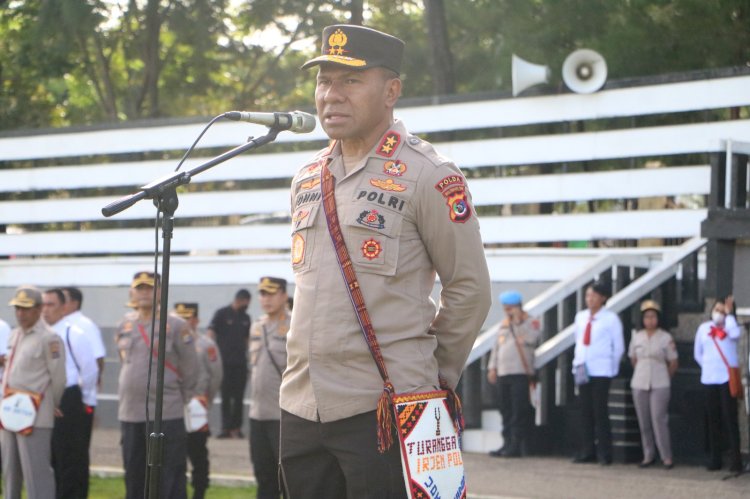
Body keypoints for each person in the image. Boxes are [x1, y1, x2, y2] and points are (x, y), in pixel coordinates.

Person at [279, 24, 492, 498]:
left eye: (350, 81)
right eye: (324, 81)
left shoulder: (429, 174)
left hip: (389, 408)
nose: (330, 95)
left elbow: (469, 289)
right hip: (301, 404)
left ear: (391, 91)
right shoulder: (307, 176)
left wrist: (431, 377)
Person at [115, 272, 198, 499]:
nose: (144, 293)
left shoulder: (175, 325)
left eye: (150, 288)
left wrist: (180, 396)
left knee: (168, 475)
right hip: (131, 413)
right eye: (139, 288)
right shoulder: (124, 324)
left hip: (166, 413)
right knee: (134, 474)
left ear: (161, 292)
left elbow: (191, 368)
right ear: (132, 292)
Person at [1, 286, 66, 499]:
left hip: (35, 412)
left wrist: (51, 404)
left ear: (39, 309)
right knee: (11, 470)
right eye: (18, 308)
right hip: (10, 409)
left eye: (26, 309)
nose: (21, 313)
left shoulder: (49, 338)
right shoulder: (15, 334)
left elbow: (58, 377)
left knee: (36, 472)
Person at [42, 288, 99, 498]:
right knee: (48, 457)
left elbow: (90, 370)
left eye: (51, 304)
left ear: (64, 307)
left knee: (70, 458)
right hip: (43, 398)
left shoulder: (73, 333)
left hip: (68, 397)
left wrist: (81, 398)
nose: (45, 310)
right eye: (43, 304)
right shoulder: (39, 334)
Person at [571, 281, 624, 465]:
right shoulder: (581, 317)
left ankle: (605, 453)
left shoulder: (610, 319)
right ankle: (587, 450)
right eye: (587, 296)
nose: (589, 299)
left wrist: (612, 368)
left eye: (593, 295)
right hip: (582, 368)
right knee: (585, 411)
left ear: (603, 298)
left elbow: (618, 347)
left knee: (600, 411)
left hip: (601, 370)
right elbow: (577, 341)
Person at [174, 302, 223, 499]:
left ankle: (199, 491)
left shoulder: (206, 345)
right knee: (175, 454)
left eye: (187, 317)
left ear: (196, 320)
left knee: (198, 454)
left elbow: (216, 375)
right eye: (180, 317)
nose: (184, 322)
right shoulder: (170, 342)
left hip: (197, 405)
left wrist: (206, 401)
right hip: (175, 405)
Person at [248, 277, 289, 499]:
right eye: (262, 294)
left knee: (287, 477)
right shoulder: (257, 325)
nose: (266, 299)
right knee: (263, 476)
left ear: (284, 295)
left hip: (282, 416)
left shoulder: (294, 325)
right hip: (258, 415)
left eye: (271, 293)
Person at [486, 290, 541, 458]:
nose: (507, 311)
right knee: (505, 410)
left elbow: (532, 339)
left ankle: (516, 445)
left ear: (517, 307)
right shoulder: (503, 324)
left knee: (518, 410)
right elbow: (497, 347)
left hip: (520, 373)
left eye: (509, 308)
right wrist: (492, 367)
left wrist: (517, 321)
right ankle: (507, 442)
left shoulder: (531, 322)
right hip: (503, 372)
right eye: (505, 308)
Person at [693, 295, 742, 472]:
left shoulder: (731, 327)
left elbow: (736, 335)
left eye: (722, 310)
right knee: (713, 419)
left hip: (727, 378)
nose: (719, 313)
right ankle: (715, 458)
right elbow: (697, 353)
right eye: (717, 310)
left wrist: (729, 316)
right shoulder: (703, 328)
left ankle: (736, 459)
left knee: (730, 418)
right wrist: (707, 366)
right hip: (709, 378)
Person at [628, 300, 677, 469]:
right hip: (640, 381)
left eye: (653, 316)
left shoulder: (665, 337)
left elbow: (673, 362)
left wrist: (665, 377)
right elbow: (633, 359)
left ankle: (666, 456)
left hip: (660, 381)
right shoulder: (637, 336)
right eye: (647, 317)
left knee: (659, 419)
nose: (650, 320)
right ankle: (648, 455)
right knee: (644, 421)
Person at [208, 289, 251, 439]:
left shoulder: (246, 317)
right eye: (246, 302)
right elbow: (211, 332)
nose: (247, 305)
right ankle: (225, 428)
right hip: (224, 363)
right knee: (226, 397)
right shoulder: (222, 313)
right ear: (239, 300)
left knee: (238, 397)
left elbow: (247, 340)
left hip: (240, 364)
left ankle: (236, 428)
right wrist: (210, 352)